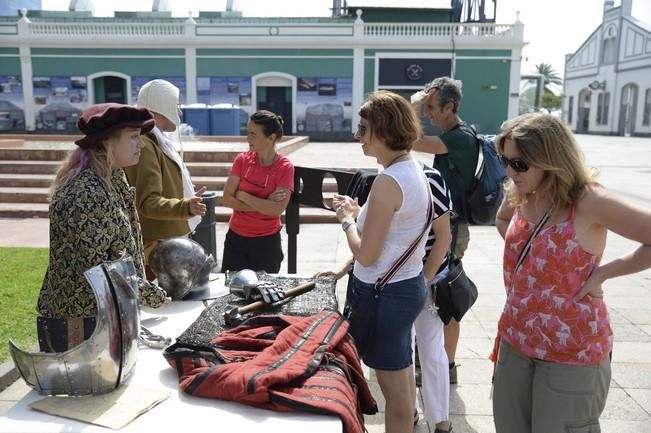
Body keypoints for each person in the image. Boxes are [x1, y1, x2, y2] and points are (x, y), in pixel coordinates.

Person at [491, 113, 651, 433]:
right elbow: (503, 221)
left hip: (571, 353)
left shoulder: (589, 200)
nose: (509, 171)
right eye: (504, 160)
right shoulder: (524, 191)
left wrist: (604, 273)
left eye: (519, 163)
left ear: (549, 158)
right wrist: (536, 266)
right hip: (516, 339)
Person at [36, 103, 170, 353]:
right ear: (107, 141)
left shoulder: (111, 177)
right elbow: (99, 269)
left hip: (103, 314)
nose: (140, 144)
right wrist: (147, 293)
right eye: (133, 137)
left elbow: (118, 250)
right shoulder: (85, 191)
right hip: (81, 321)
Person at [333, 91, 430, 433]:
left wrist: (346, 219)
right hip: (405, 286)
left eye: (363, 128)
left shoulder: (389, 180)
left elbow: (367, 254)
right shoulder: (411, 169)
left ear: (383, 131)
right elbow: (395, 228)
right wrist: (362, 215)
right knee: (401, 381)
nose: (357, 135)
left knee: (396, 396)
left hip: (382, 294)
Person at [411, 76, 479, 384]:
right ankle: (431, 357)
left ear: (450, 106)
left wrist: (411, 104)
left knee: (446, 295)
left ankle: (446, 365)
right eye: (424, 107)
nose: (427, 114)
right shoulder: (454, 135)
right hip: (445, 225)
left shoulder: (460, 137)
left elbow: (408, 139)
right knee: (436, 293)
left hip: (452, 229)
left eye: (431, 107)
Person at [124, 79, 207, 278]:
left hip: (166, 246)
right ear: (163, 106)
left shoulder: (155, 140)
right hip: (156, 252)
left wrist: (184, 195)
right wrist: (184, 206)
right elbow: (147, 201)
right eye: (176, 105)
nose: (179, 112)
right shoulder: (145, 144)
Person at [221, 110, 294, 273]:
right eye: (248, 133)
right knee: (232, 292)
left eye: (253, 134)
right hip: (236, 239)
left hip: (266, 243)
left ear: (271, 137)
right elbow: (226, 199)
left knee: (264, 294)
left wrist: (243, 195)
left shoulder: (285, 167)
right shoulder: (242, 160)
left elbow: (277, 209)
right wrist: (265, 202)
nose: (248, 139)